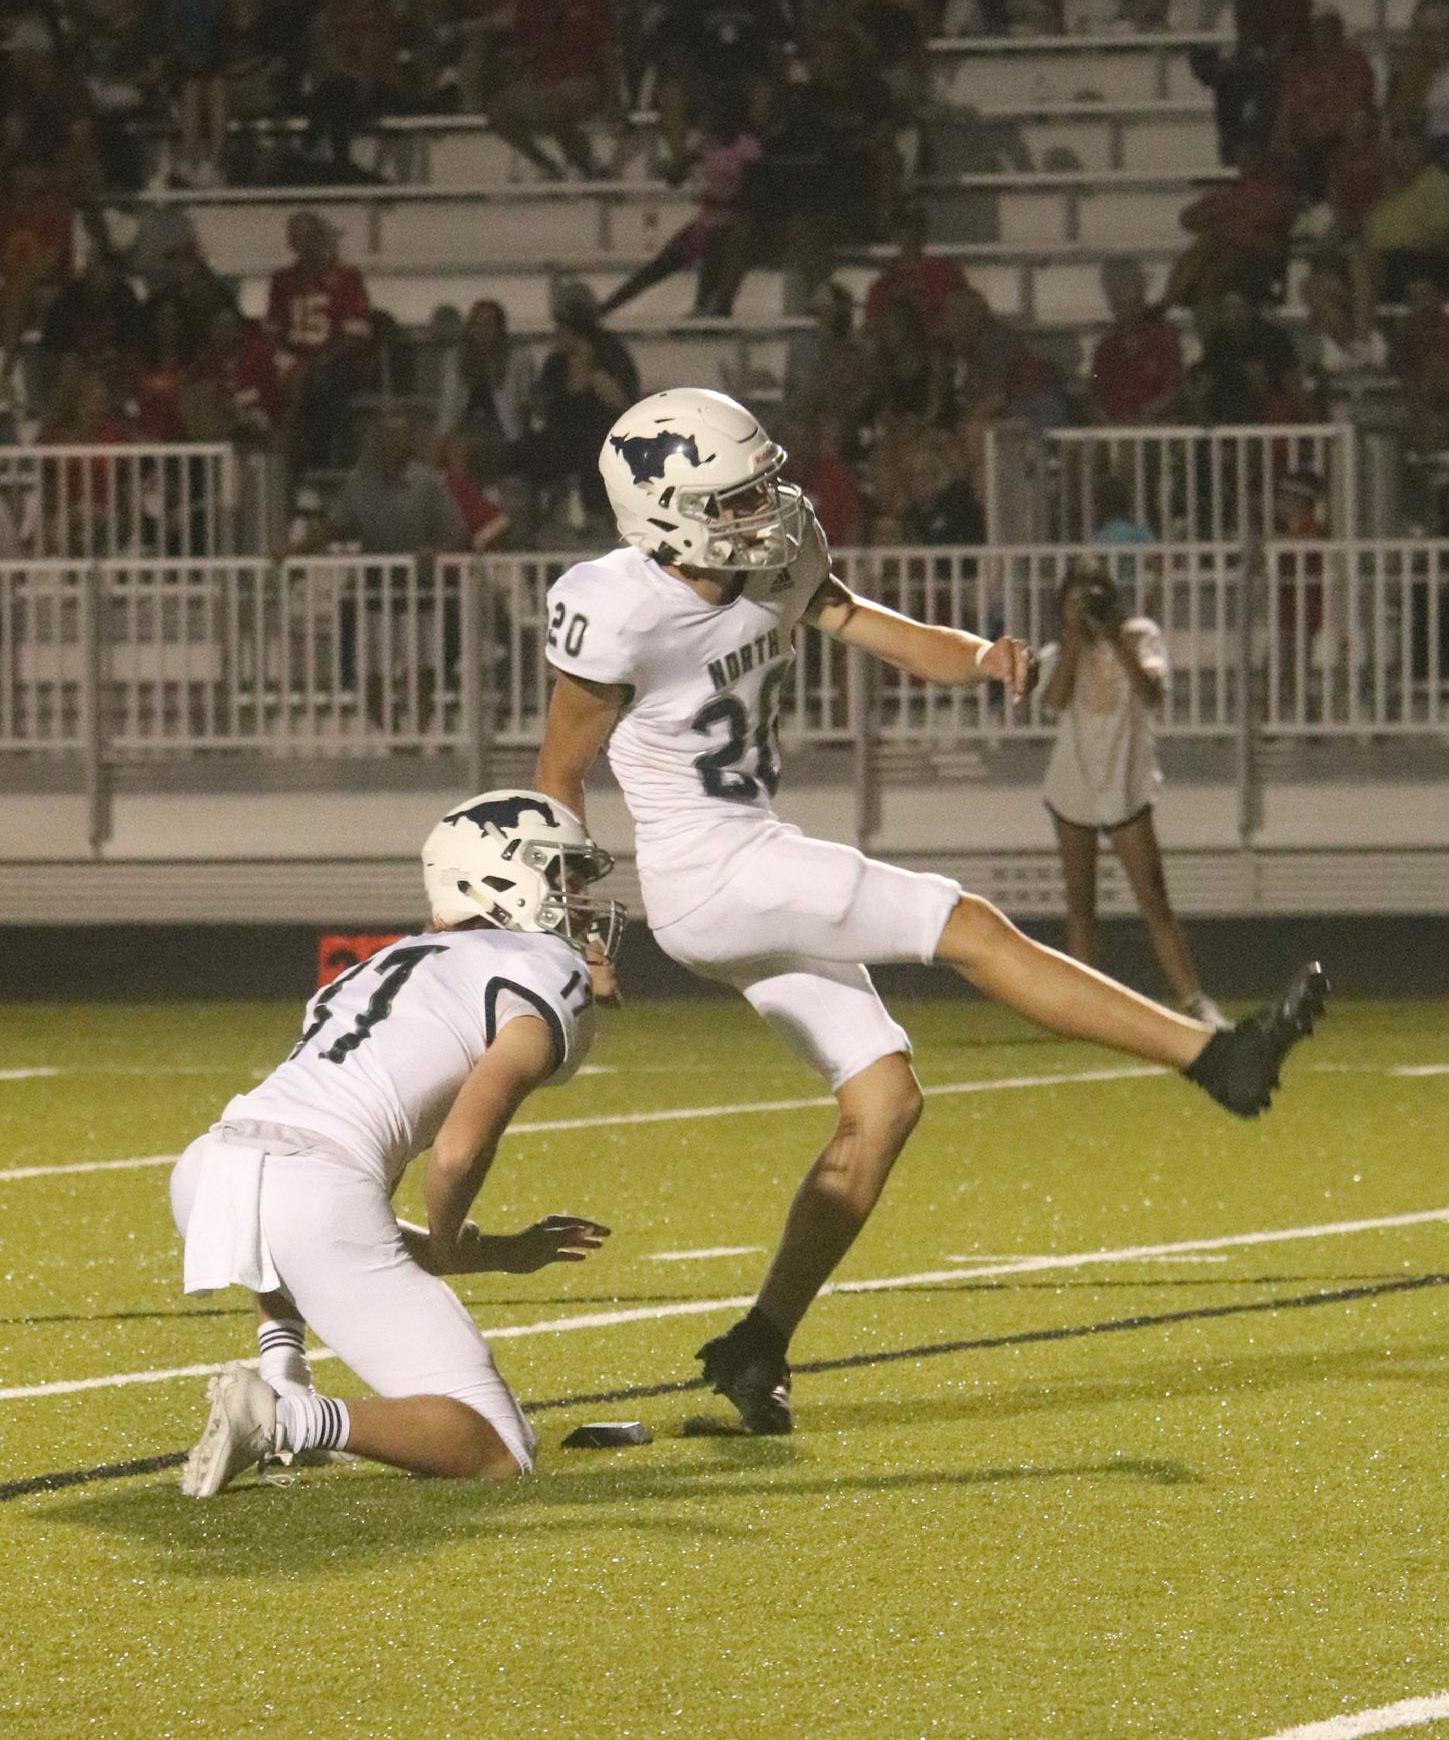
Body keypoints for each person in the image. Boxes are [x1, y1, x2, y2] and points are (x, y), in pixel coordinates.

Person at [531, 386, 1328, 1436]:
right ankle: (1216, 1057)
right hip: (710, 870)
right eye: (734, 499)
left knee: (885, 1103)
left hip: (751, 858)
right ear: (663, 511)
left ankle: (757, 1346)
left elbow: (877, 628)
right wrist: (575, 929)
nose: (763, 509)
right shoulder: (617, 608)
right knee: (971, 929)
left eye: (761, 486)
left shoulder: (776, 555)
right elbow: (558, 775)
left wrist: (981, 657)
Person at [170, 789, 623, 1495]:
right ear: (500, 877)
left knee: (308, 1222)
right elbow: (455, 1153)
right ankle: (287, 1419)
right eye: (562, 876)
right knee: (497, 1446)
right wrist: (454, 1246)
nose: (581, 902)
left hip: (213, 1167)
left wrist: (494, 1254)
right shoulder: (542, 967)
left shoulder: (377, 966)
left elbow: (342, 1225)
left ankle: (281, 1372)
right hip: (308, 1184)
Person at [1040, 561, 1224, 1026]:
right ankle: (1081, 1007)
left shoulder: (1141, 637)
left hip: (1126, 783)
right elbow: (1054, 700)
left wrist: (1114, 639)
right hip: (1074, 785)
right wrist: (1075, 638)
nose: (1087, 603)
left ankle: (1194, 1000)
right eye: (1077, 595)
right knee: (1080, 902)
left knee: (1154, 896)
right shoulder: (1057, 651)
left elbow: (1152, 692)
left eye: (1095, 593)